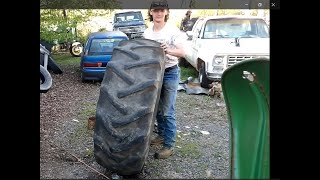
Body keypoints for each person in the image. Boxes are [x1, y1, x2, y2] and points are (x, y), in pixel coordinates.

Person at [143, 0, 187, 159]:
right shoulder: (147, 33)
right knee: (157, 108)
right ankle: (161, 135)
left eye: (162, 10)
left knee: (167, 111)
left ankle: (169, 145)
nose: (159, 13)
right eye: (155, 10)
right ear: (151, 12)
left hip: (169, 72)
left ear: (167, 12)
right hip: (153, 73)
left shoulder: (172, 31)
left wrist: (168, 49)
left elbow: (182, 52)